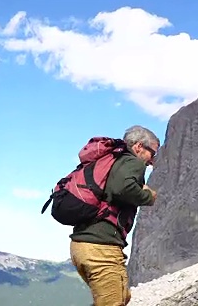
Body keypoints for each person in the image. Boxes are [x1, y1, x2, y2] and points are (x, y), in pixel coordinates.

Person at [69, 125, 159, 306]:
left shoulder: (112, 161)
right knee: (114, 302)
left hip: (82, 246)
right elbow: (123, 188)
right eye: (152, 153)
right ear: (139, 147)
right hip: (101, 247)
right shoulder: (132, 162)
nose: (152, 161)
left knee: (122, 296)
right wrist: (149, 196)